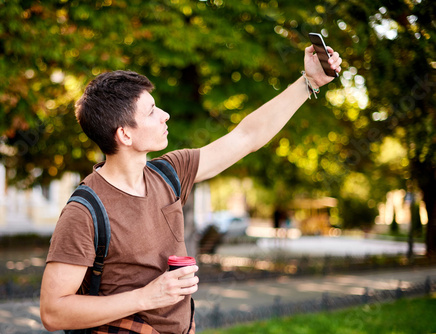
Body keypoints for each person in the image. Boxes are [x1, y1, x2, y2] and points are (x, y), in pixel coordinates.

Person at [40, 45, 342, 333]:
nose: (165, 115)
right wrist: (147, 297)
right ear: (124, 135)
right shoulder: (84, 212)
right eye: (151, 112)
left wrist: (309, 82)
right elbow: (53, 312)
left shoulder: (169, 173)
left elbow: (246, 136)